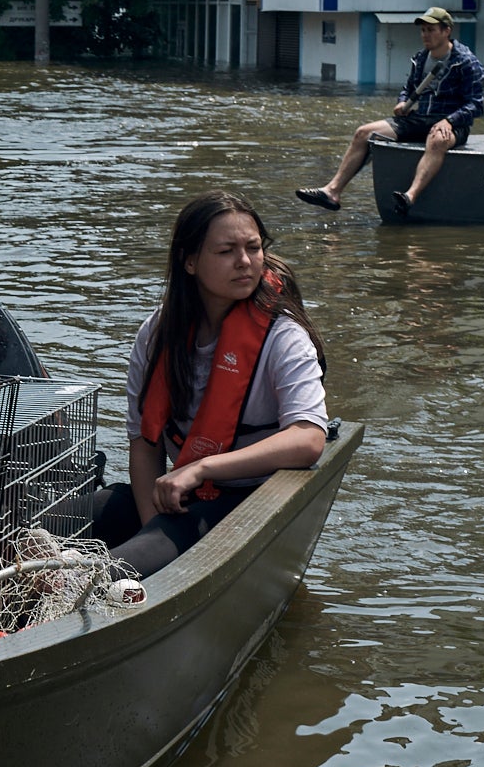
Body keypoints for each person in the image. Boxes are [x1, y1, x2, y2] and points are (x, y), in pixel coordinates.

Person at [100, 191, 330, 577]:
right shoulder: (156, 333)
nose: (244, 262)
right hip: (177, 496)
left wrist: (203, 467)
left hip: (249, 501)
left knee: (115, 570)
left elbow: (308, 438)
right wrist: (149, 523)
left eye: (253, 248)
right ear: (190, 261)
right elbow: (144, 443)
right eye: (226, 251)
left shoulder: (283, 336)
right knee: (39, 525)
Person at [297, 7, 480, 214]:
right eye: (423, 30)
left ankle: (409, 196)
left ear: (446, 31)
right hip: (420, 118)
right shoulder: (421, 59)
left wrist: (450, 121)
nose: (425, 35)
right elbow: (408, 89)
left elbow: (475, 104)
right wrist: (402, 103)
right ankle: (332, 191)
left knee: (436, 140)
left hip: (452, 125)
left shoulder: (465, 61)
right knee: (363, 133)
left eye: (431, 30)